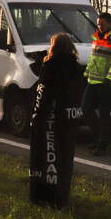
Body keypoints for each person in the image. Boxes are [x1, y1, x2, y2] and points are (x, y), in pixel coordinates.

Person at [29, 33, 79, 208]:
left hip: (52, 119)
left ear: (54, 47)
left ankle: (46, 197)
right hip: (70, 119)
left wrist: (36, 118)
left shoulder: (50, 65)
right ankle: (62, 197)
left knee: (48, 157)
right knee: (65, 159)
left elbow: (43, 94)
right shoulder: (76, 67)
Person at [81, 12, 111, 155]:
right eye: (98, 24)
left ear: (110, 23)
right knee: (85, 109)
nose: (99, 26)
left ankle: (101, 146)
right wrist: (86, 73)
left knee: (104, 116)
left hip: (106, 84)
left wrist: (109, 79)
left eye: (102, 24)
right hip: (92, 81)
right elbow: (93, 58)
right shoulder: (97, 37)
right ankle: (98, 139)